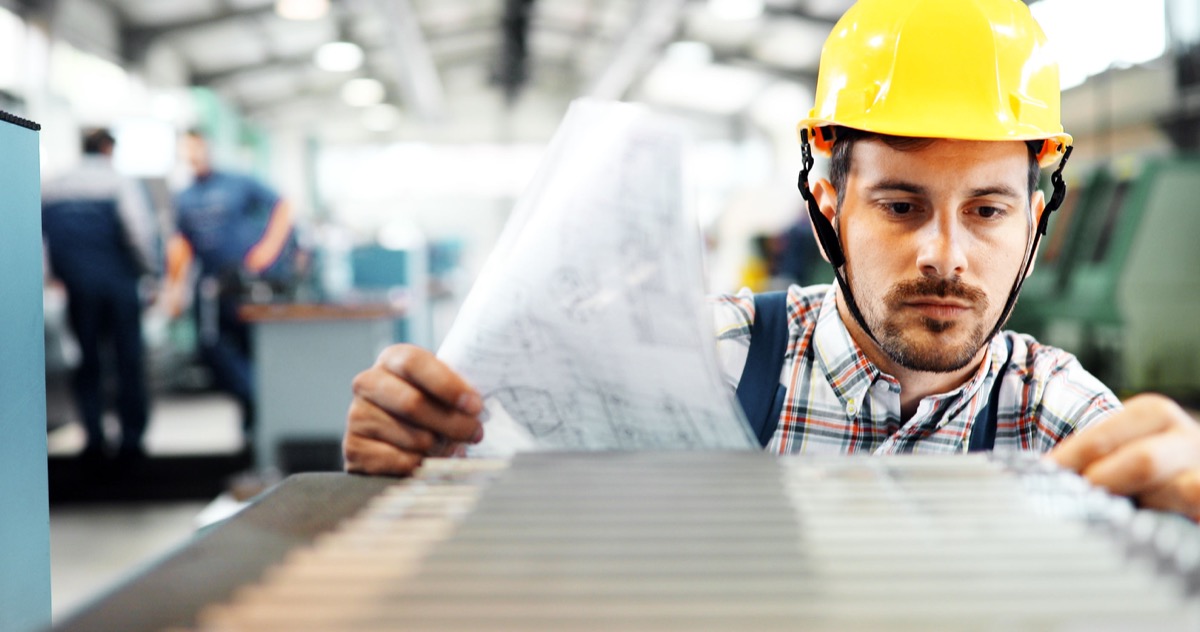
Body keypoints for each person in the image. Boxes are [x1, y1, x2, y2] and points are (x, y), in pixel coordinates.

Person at [342, 0, 1200, 520]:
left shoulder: (1056, 413)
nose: (947, 255)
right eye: (901, 205)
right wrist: (415, 464)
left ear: (1036, 218)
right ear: (828, 200)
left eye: (988, 210)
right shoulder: (707, 363)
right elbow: (505, 524)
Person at [167, 129, 295, 439]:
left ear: (208, 149)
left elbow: (283, 206)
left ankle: (258, 421)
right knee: (212, 351)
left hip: (247, 286)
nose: (193, 156)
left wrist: (266, 252)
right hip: (211, 289)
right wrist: (174, 287)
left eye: (197, 149)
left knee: (255, 351)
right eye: (187, 151)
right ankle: (252, 400)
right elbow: (181, 244)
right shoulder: (184, 197)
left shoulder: (239, 182)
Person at [42, 128, 159, 462]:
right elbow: (139, 232)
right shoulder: (118, 182)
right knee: (127, 361)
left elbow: (40, 240)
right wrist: (151, 274)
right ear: (108, 149)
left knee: (87, 362)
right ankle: (131, 441)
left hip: (77, 288)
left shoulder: (53, 185)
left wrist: (52, 277)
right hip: (118, 284)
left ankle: (93, 437)